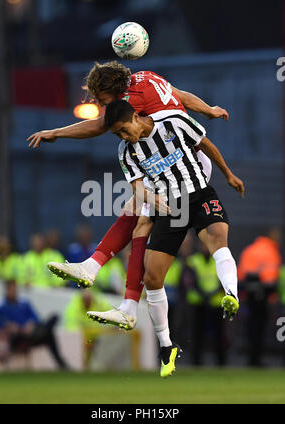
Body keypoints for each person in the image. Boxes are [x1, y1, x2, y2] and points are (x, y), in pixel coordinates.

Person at [29, 62, 227, 326]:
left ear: (112, 90)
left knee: (139, 222)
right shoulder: (146, 77)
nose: (101, 106)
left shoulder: (130, 100)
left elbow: (98, 125)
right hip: (179, 159)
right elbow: (181, 96)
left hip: (180, 164)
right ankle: (119, 296)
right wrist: (209, 110)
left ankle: (120, 297)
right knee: (135, 219)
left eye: (101, 100)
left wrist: (55, 132)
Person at [99, 99, 244, 377]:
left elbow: (204, 144)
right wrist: (150, 198)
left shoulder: (173, 121)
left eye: (124, 129)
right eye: (118, 134)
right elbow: (137, 188)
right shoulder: (126, 152)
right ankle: (167, 346)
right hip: (169, 208)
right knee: (152, 277)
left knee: (217, 239)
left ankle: (231, 295)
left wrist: (228, 174)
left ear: (137, 116)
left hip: (199, 193)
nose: (124, 137)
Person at [0, 280, 68, 369]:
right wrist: (8, 326)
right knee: (49, 333)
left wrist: (30, 324)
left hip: (30, 335)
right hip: (15, 338)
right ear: (7, 290)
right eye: (11, 289)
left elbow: (36, 318)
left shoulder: (24, 303)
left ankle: (45, 330)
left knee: (54, 319)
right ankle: (61, 364)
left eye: (15, 288)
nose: (14, 291)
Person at [238, 228, 282, 366]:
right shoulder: (271, 251)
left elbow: (242, 274)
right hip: (264, 295)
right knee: (260, 327)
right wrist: (272, 294)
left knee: (251, 327)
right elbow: (271, 277)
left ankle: (252, 358)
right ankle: (256, 359)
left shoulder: (250, 250)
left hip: (250, 294)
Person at [186, 243, 226, 366]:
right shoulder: (193, 261)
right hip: (199, 303)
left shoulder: (219, 261)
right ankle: (196, 362)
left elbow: (223, 281)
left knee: (219, 335)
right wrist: (205, 295)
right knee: (197, 334)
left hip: (215, 303)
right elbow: (190, 280)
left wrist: (210, 295)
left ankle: (221, 363)